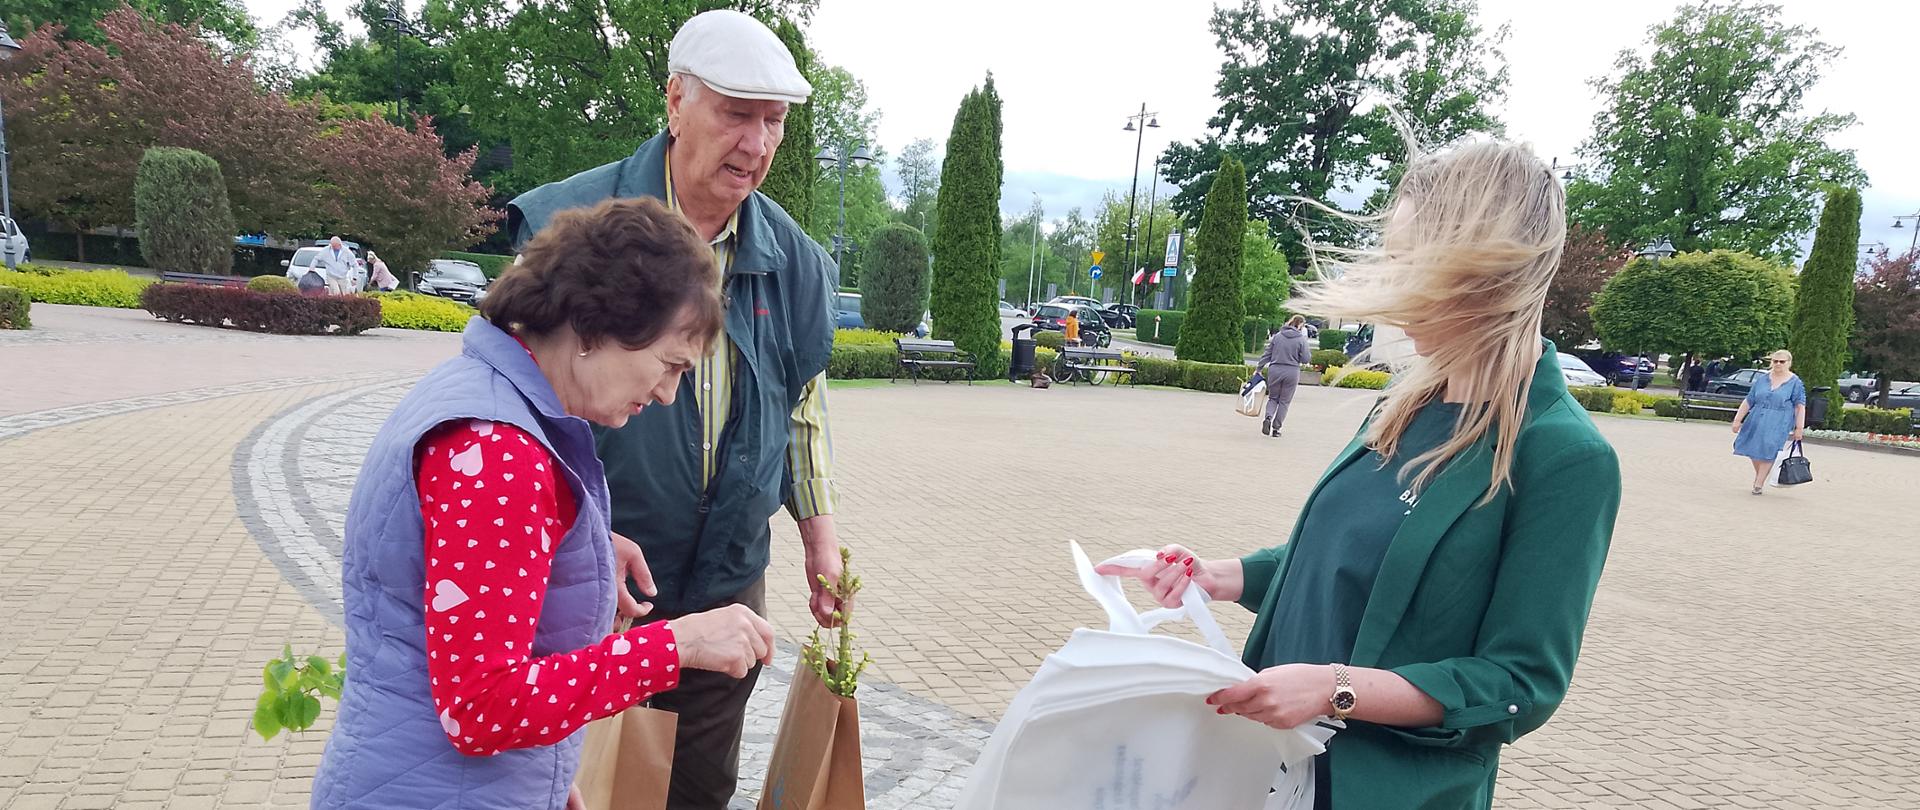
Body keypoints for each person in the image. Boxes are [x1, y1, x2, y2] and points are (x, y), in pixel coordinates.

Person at [1098, 140, 1621, 809]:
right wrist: (1220, 575)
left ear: (1488, 272)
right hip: (1272, 770)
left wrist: (1335, 688)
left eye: (1414, 265)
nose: (1394, 290)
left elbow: (1520, 684)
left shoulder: (1564, 456)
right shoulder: (1404, 405)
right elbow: (1345, 558)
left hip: (1380, 789)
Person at [311, 198, 778, 809]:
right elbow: (482, 707)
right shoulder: (500, 451)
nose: (668, 394)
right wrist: (677, 645)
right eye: (668, 365)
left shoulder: (483, 400)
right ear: (593, 326)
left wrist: (566, 549)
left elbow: (442, 571)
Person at [505, 11, 842, 808]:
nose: (756, 144)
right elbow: (510, 406)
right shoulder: (574, 227)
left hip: (727, 575)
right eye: (736, 113)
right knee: (567, 781)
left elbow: (802, 407)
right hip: (594, 575)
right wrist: (572, 529)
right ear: (675, 102)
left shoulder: (794, 261)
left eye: (774, 122)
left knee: (696, 785)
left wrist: (820, 539)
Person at [1731, 349, 1806, 495]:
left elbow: (1800, 406)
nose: (1778, 364)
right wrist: (1737, 420)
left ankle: (1758, 483)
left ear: (1789, 363)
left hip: (1780, 420)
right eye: (1775, 361)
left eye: (1782, 361)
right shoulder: (1762, 379)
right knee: (1753, 448)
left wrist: (1799, 427)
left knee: (1770, 448)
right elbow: (1749, 400)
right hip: (1757, 417)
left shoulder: (1795, 382)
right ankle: (1761, 474)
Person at [1256, 314, 1314, 437]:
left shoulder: (1278, 336)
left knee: (1273, 398)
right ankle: (1276, 429)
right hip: (1292, 371)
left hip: (1275, 369)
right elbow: (1305, 359)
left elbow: (1267, 354)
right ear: (1300, 325)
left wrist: (1259, 368)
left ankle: (1268, 417)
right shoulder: (1301, 339)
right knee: (1284, 401)